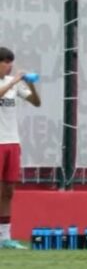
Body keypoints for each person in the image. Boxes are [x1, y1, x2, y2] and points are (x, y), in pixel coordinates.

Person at [0, 47, 41, 249]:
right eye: (6, 62)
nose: (9, 66)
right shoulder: (10, 83)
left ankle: (5, 238)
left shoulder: (13, 83)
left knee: (8, 190)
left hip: (12, 142)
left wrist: (30, 85)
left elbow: (36, 103)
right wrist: (15, 80)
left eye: (11, 62)